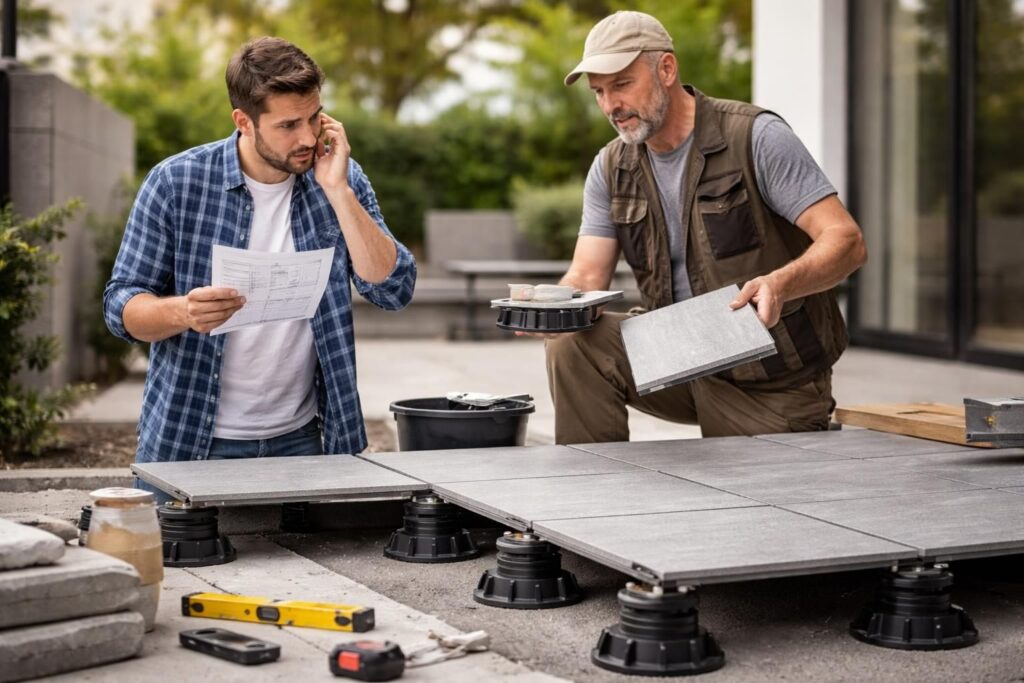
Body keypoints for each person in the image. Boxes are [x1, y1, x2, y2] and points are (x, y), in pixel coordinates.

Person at [104, 37, 416, 499]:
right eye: (288, 124)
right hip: (190, 440)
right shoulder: (176, 182)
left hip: (309, 441)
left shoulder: (338, 175)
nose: (308, 137)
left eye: (314, 117)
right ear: (244, 122)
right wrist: (183, 313)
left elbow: (393, 289)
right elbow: (120, 307)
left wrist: (339, 192)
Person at [544, 11, 867, 444]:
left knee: (744, 510)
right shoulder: (611, 167)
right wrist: (553, 304)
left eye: (621, 84)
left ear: (666, 68)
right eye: (598, 92)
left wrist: (781, 283)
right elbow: (586, 275)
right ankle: (592, 490)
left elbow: (846, 242)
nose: (610, 106)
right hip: (674, 358)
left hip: (768, 381)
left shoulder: (756, 137)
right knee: (573, 343)